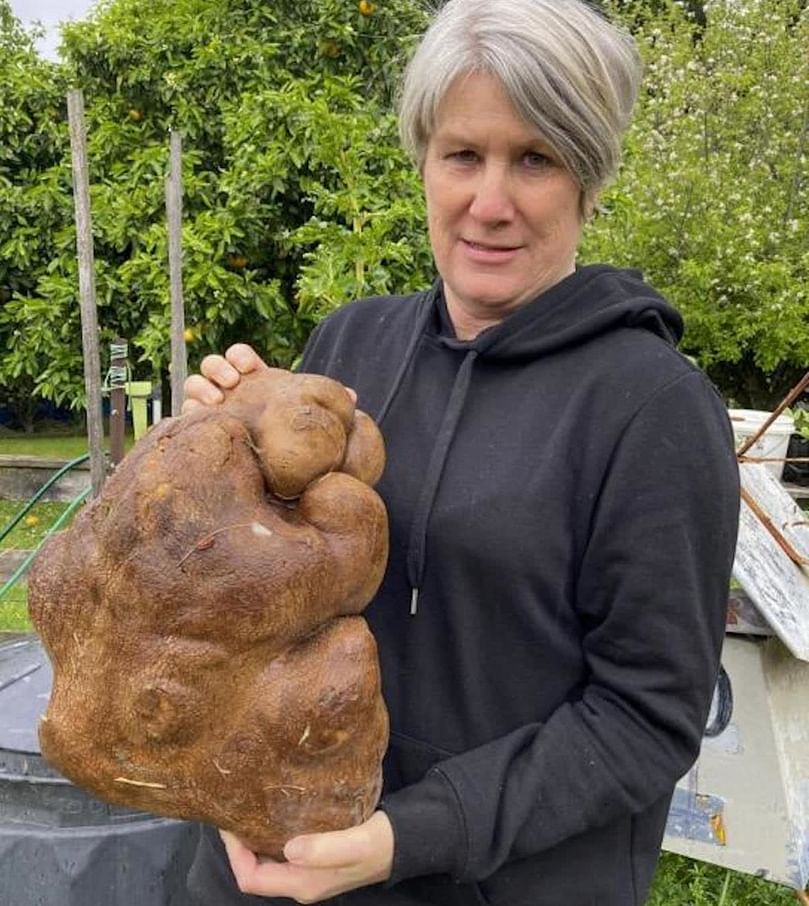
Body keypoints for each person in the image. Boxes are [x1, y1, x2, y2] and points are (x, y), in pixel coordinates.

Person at [182, 1, 740, 903]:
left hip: (495, 879)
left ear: (587, 179)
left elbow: (644, 717)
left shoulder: (652, 409)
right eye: (462, 155)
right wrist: (214, 458)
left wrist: (406, 837)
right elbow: (264, 597)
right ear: (424, 164)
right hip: (266, 857)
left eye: (535, 159)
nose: (489, 203)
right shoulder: (349, 345)